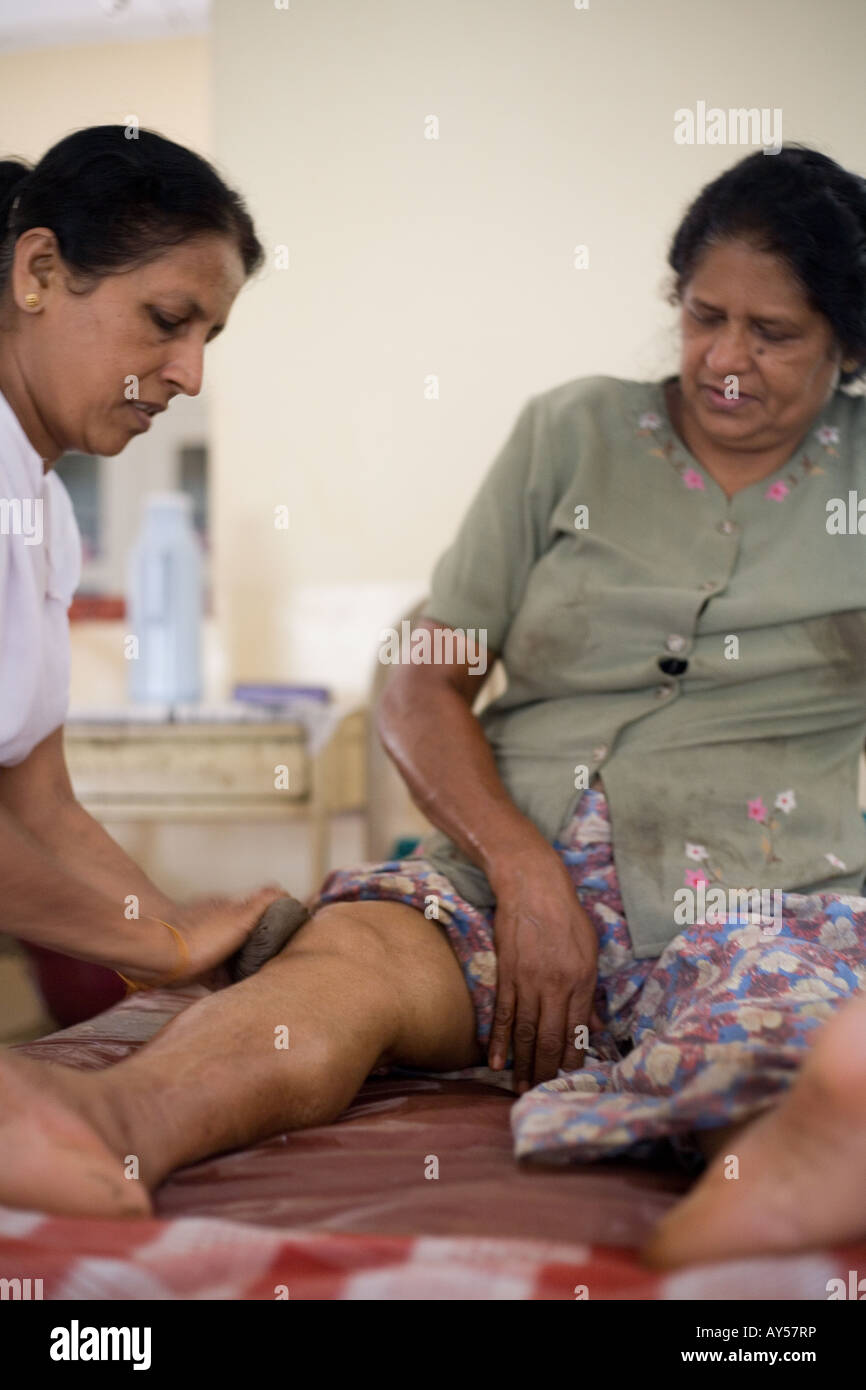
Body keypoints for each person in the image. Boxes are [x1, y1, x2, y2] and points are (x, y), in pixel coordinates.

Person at [3, 143, 866, 1270]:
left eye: (773, 333)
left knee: (782, 1024)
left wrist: (151, 932)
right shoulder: (572, 437)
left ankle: (790, 1157)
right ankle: (115, 1125)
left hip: (769, 889)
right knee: (345, 959)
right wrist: (518, 867)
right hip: (503, 876)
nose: (725, 360)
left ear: (846, 349)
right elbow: (424, 669)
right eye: (703, 316)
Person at [0, 126, 286, 998]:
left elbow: (38, 806)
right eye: (166, 321)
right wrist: (163, 948)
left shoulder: (40, 502)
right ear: (38, 272)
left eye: (209, 337)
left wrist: (182, 946)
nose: (191, 374)